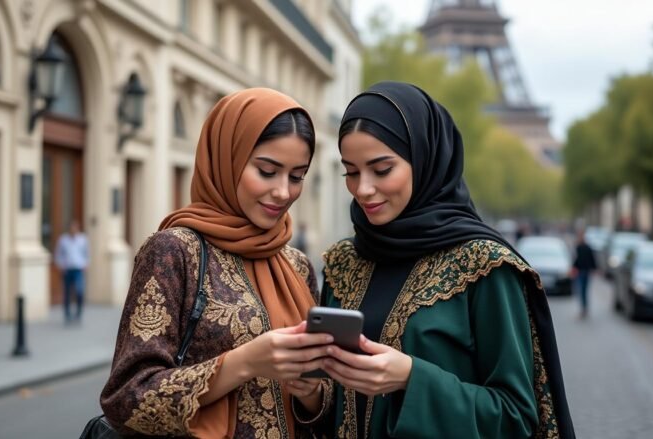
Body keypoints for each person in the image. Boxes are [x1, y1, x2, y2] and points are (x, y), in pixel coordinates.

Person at [311, 82, 575, 438]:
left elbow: (516, 418)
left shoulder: (485, 266)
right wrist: (311, 396)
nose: (363, 189)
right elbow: (341, 407)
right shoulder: (344, 261)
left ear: (425, 159)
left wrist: (411, 378)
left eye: (382, 169)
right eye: (351, 172)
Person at [100, 88, 334, 437]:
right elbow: (127, 398)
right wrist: (246, 362)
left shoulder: (297, 265)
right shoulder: (174, 252)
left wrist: (312, 393)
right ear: (228, 158)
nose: (284, 192)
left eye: (297, 176)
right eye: (267, 171)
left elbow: (323, 408)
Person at [54, 220, 88, 323]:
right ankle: (67, 314)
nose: (73, 230)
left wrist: (85, 264)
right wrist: (60, 265)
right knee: (67, 292)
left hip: (78, 269)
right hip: (67, 269)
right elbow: (58, 254)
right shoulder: (63, 240)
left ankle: (78, 313)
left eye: (75, 228)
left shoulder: (83, 239)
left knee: (79, 291)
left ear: (78, 229)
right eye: (72, 228)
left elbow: (86, 254)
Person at [572, 229, 597, 319]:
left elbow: (592, 259)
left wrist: (594, 269)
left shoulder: (587, 248)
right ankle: (584, 308)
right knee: (581, 290)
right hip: (580, 271)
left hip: (585, 271)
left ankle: (584, 308)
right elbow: (576, 260)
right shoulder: (578, 247)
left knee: (584, 290)